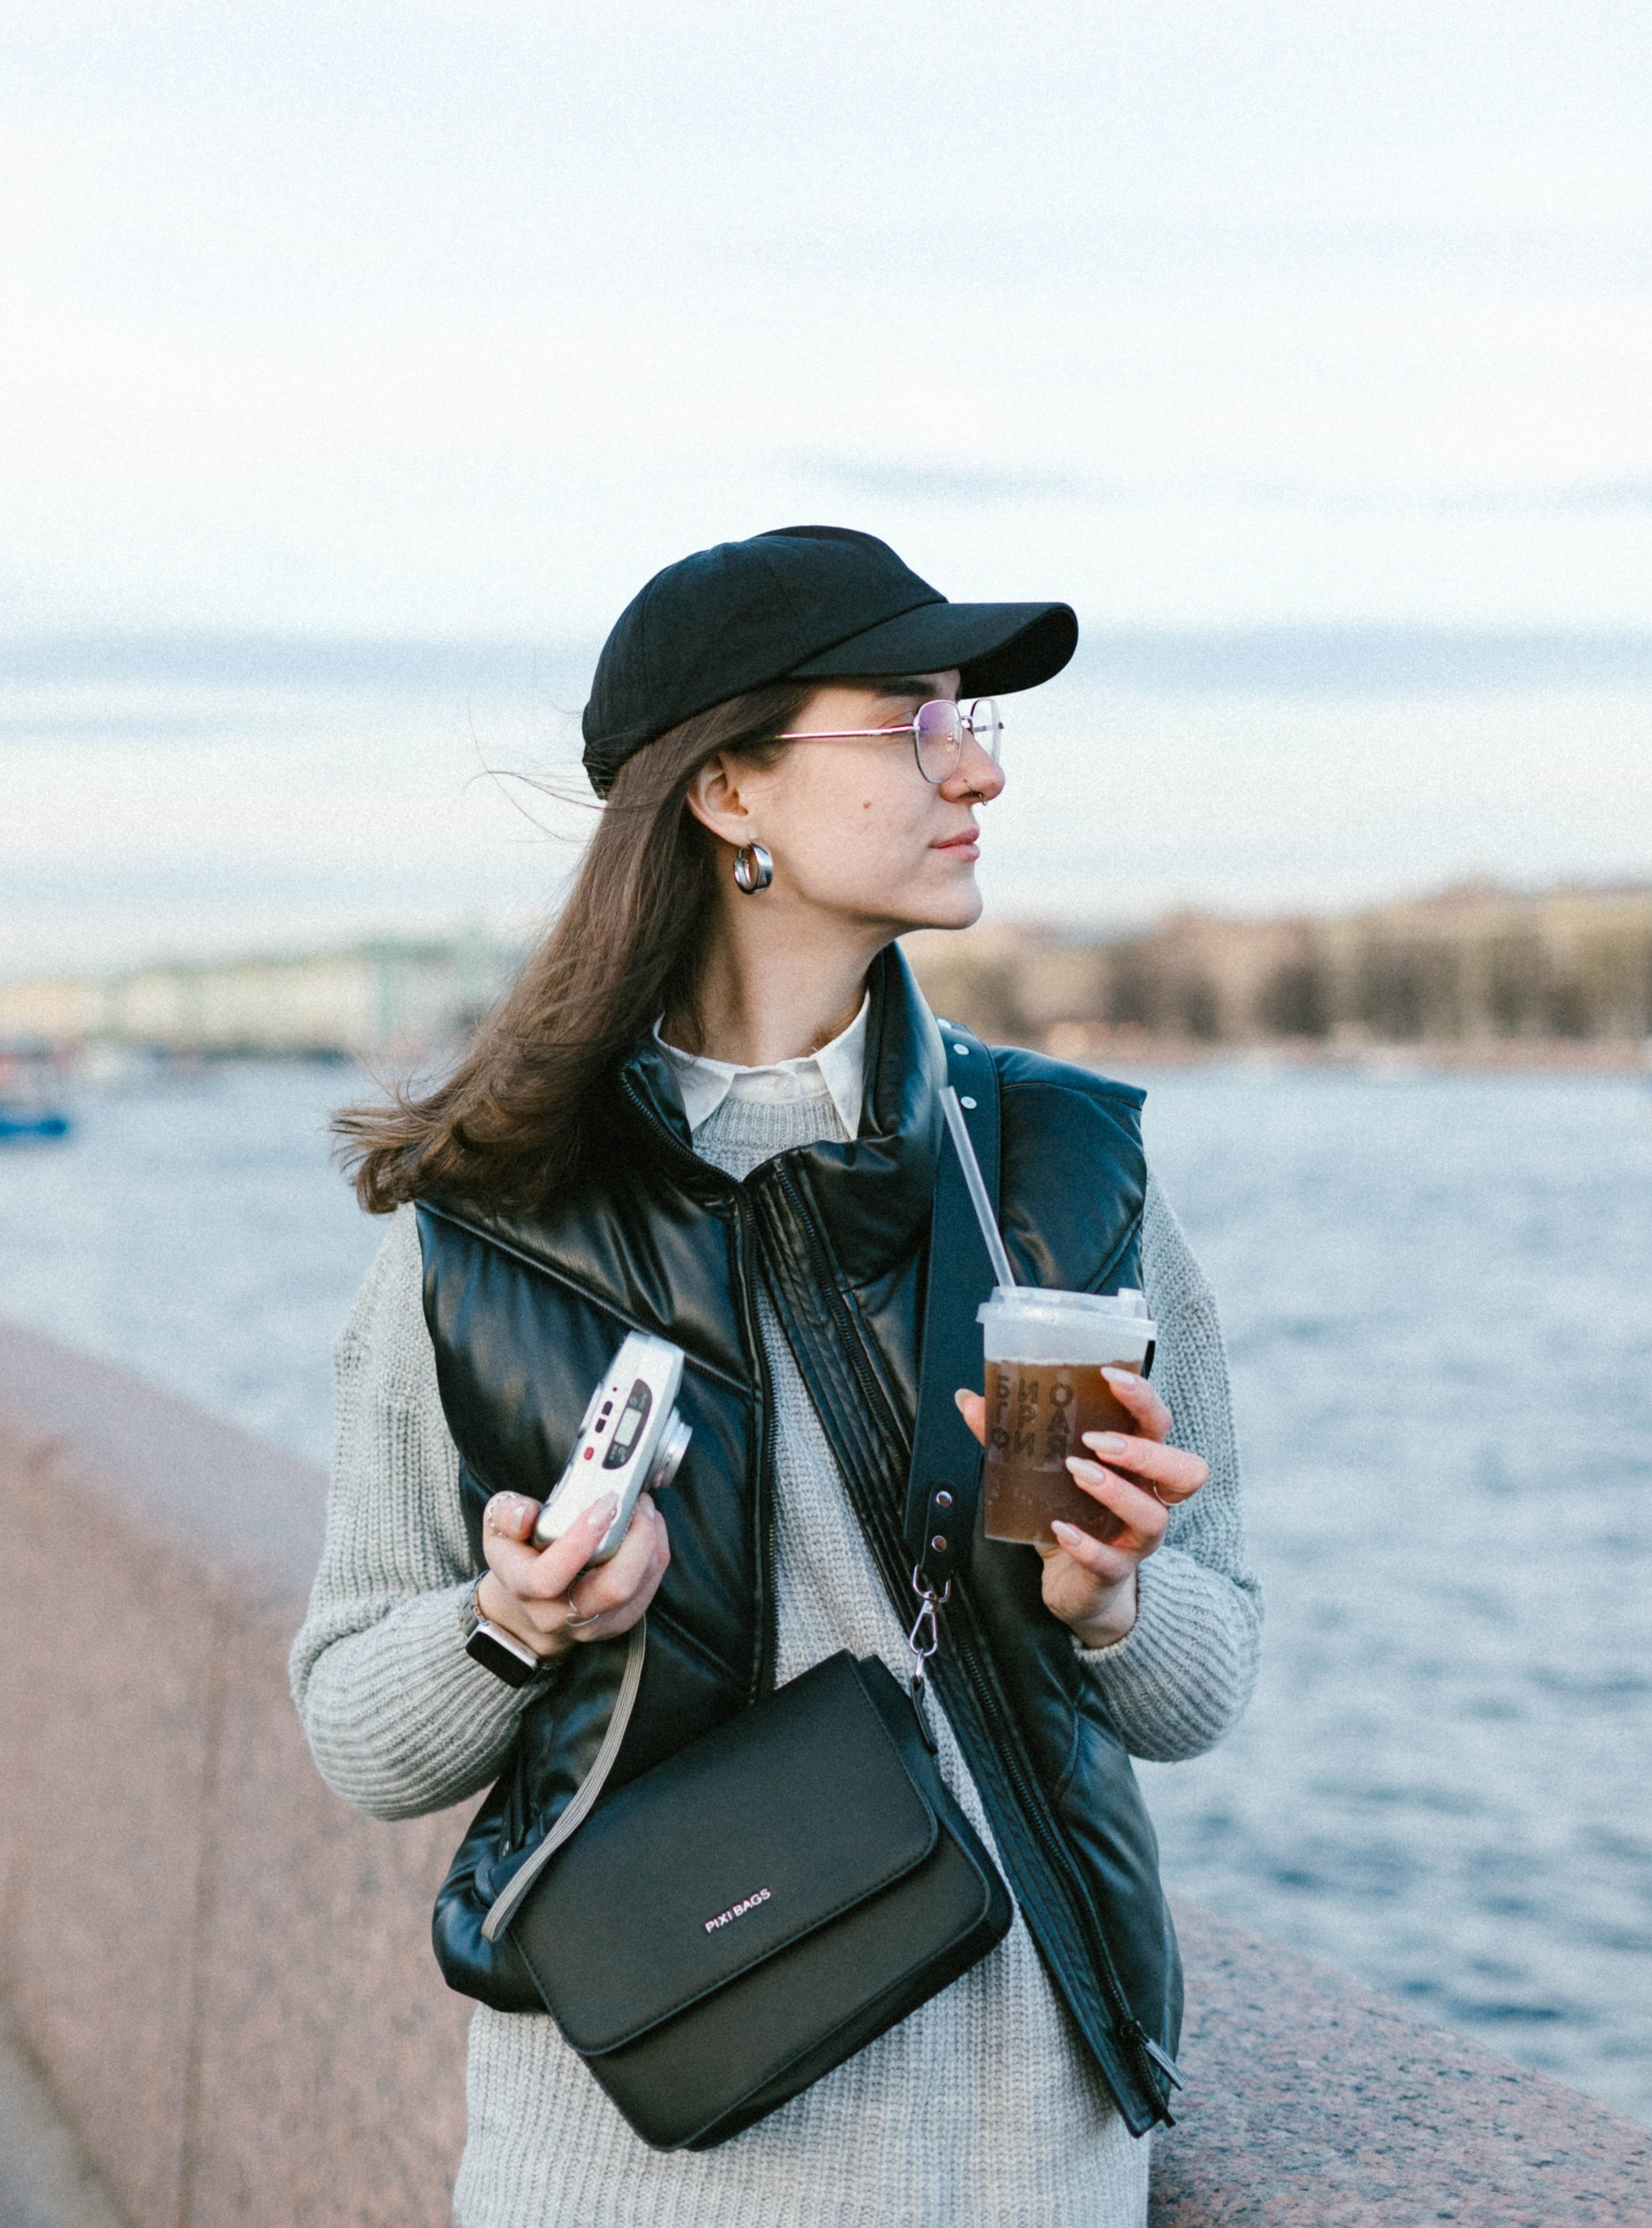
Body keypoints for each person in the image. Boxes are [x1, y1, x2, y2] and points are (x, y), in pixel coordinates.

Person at [291, 525, 1262, 2228]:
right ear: (729, 787)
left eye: (975, 715)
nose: (976, 764)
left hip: (1027, 2160)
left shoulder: (1060, 1169)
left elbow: (1203, 1679)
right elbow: (359, 1730)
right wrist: (518, 1624)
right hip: (635, 2157)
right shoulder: (493, 1215)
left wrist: (1114, 1604)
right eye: (907, 716)